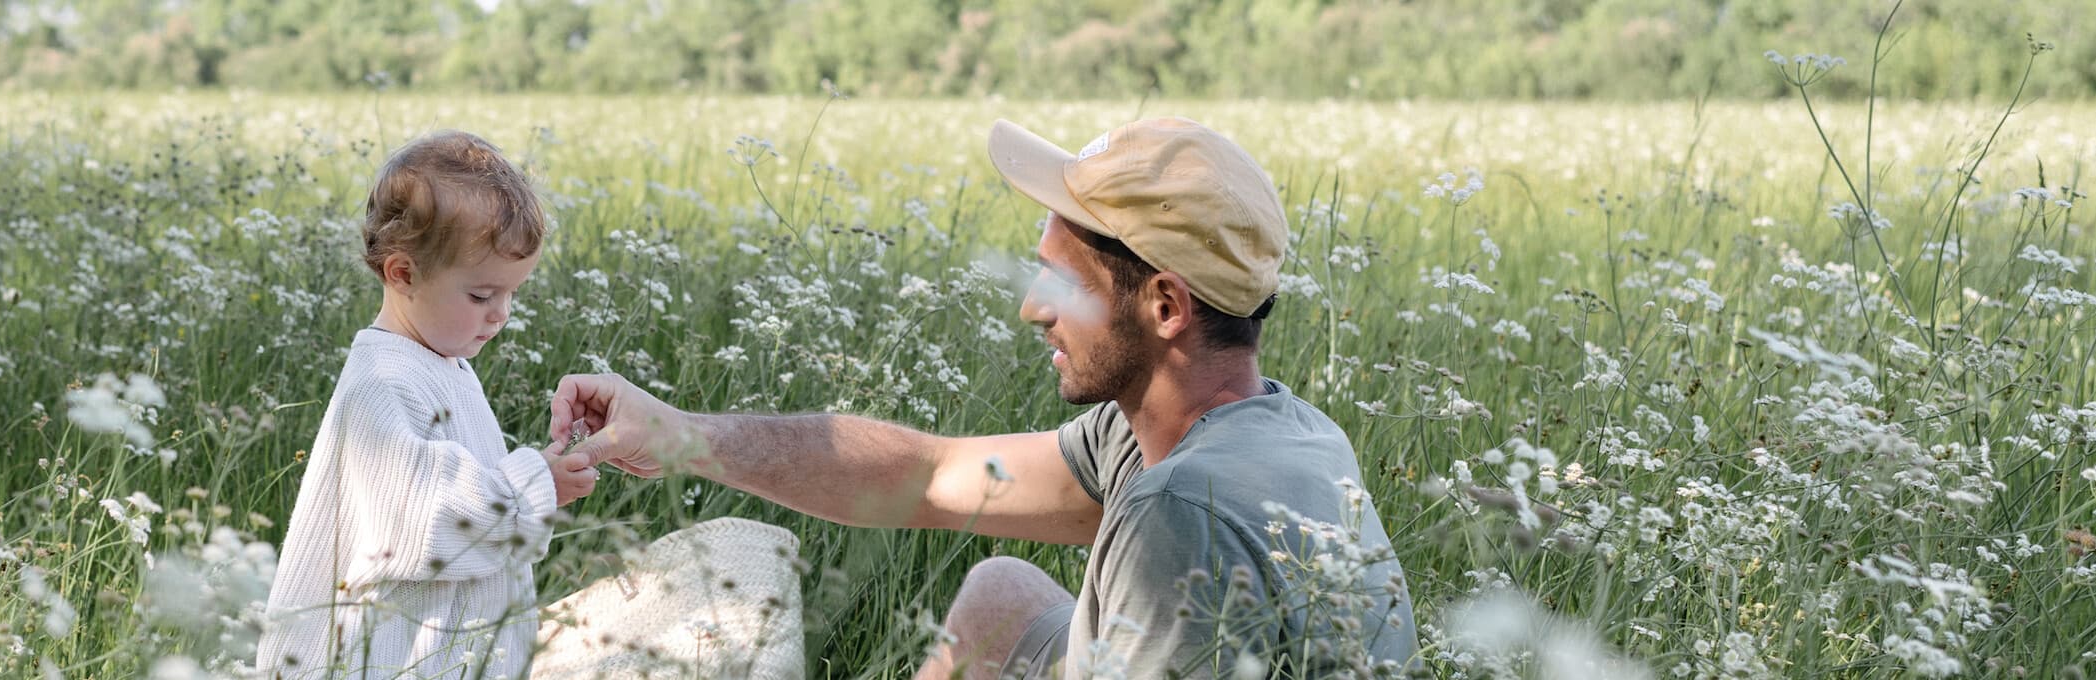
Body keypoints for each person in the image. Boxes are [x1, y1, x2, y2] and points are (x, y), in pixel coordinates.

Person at [551, 118, 1415, 678]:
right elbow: (931, 476)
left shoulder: (1182, 511)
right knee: (1003, 595)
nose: (1034, 307)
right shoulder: (1269, 430)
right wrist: (684, 434)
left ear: (1164, 305)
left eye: (1063, 283)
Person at [253, 130, 604, 678]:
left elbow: (460, 481)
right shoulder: (384, 381)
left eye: (512, 293)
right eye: (482, 295)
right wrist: (534, 485)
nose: (502, 313)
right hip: (391, 657)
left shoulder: (440, 361)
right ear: (403, 274)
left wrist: (549, 461)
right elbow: (425, 515)